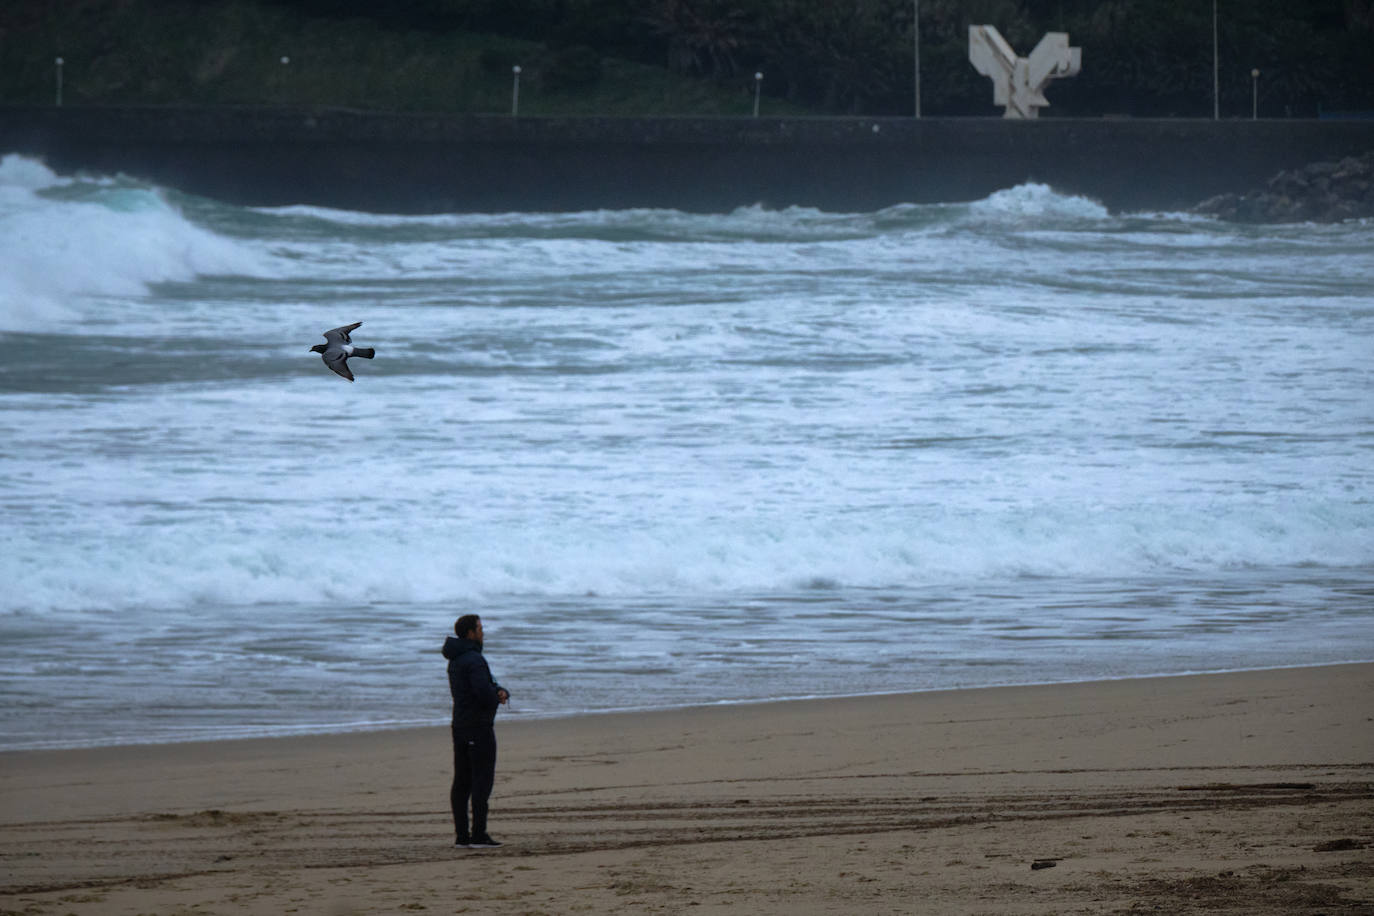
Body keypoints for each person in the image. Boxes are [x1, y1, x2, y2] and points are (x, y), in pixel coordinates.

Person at [442, 614, 510, 849]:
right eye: (480, 628)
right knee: (481, 780)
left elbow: (484, 685)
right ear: (470, 633)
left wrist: (498, 689)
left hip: (460, 725)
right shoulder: (473, 659)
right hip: (477, 727)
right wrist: (496, 698)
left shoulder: (457, 658)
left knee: (462, 781)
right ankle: (478, 834)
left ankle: (462, 836)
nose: (483, 632)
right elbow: (482, 692)